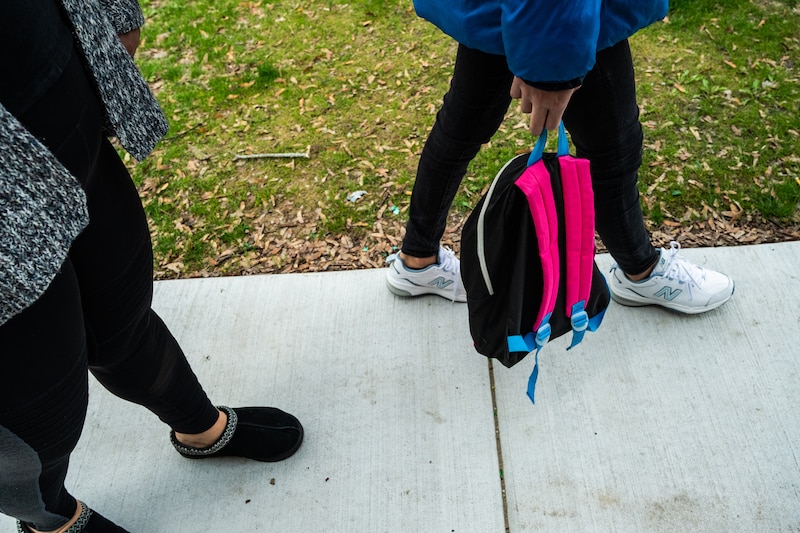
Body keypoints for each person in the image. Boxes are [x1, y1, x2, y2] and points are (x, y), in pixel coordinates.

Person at [0, 2, 303, 532]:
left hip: (59, 109)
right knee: (36, 418)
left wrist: (113, 7)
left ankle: (201, 429)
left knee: (124, 321)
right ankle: (53, 521)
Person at [386, 1, 735, 315]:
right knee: (613, 151)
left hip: (508, 11)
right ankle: (640, 271)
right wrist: (553, 69)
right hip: (562, 21)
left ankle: (418, 259)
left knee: (458, 132)